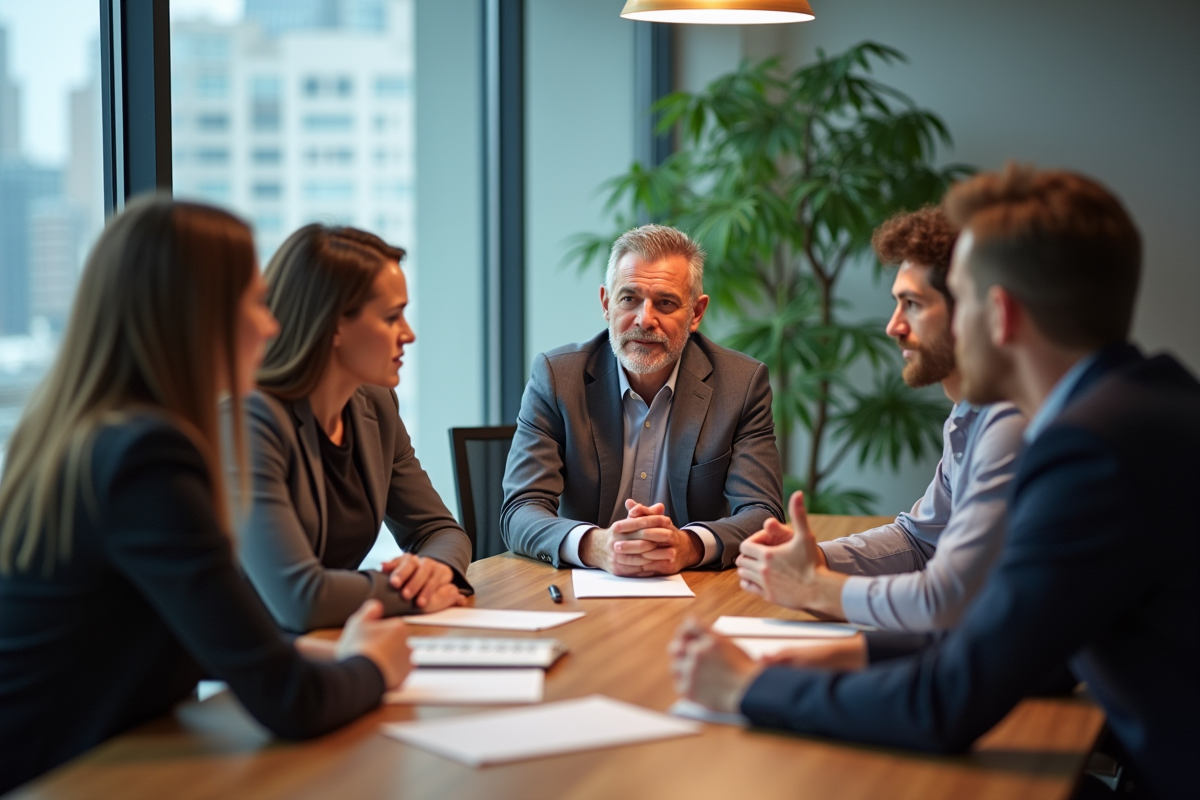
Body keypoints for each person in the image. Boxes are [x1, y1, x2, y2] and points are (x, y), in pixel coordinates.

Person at [670, 165, 1199, 799]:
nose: (897, 325)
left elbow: (946, 704)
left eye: (960, 297)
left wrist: (750, 688)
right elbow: (1041, 643)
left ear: (998, 315)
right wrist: (855, 653)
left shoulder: (1087, 452)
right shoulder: (1151, 401)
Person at [0, 196, 412, 795]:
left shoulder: (93, 434)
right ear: (196, 317)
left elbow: (217, 642)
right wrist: (374, 665)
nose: (272, 325)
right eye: (252, 303)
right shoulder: (147, 458)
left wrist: (336, 653)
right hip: (68, 778)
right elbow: (287, 700)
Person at [735, 208, 1025, 670]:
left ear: (972, 311)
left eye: (912, 303)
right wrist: (815, 555)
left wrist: (818, 587)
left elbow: (947, 599)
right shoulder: (971, 412)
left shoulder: (1012, 424)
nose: (893, 326)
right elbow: (920, 541)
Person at [501, 224, 784, 576]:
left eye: (665, 303)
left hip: (693, 592)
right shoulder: (557, 378)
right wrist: (597, 545)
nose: (644, 319)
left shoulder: (741, 384)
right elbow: (520, 509)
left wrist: (689, 546)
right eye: (629, 299)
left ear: (696, 313)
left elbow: (762, 512)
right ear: (606, 304)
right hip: (584, 590)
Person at [235, 224, 472, 633]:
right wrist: (411, 592)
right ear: (334, 324)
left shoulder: (376, 405)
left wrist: (434, 569)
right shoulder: (249, 422)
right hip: (251, 672)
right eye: (391, 316)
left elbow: (438, 530)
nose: (408, 334)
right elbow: (299, 600)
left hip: (337, 645)